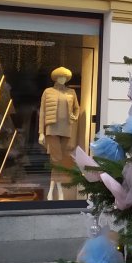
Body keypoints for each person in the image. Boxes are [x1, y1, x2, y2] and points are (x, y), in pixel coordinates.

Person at [39, 66, 80, 200]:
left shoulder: (71, 92)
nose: (62, 79)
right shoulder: (48, 92)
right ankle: (60, 191)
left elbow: (76, 108)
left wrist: (75, 116)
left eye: (65, 77)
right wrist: (41, 132)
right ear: (56, 78)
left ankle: (52, 191)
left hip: (66, 129)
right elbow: (43, 112)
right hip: (52, 129)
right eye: (60, 77)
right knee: (57, 159)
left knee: (57, 160)